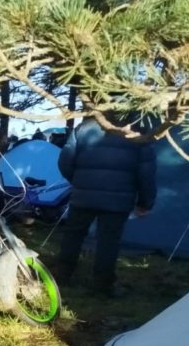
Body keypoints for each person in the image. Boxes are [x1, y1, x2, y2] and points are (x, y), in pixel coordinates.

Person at [55, 116, 156, 296]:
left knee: (73, 235)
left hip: (83, 195)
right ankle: (103, 285)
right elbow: (146, 173)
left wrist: (79, 181)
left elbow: (65, 162)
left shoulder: (84, 128)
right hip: (118, 199)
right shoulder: (137, 132)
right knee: (109, 242)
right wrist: (145, 202)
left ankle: (62, 276)